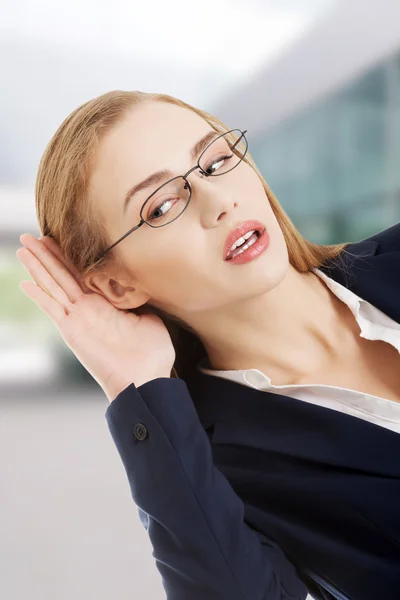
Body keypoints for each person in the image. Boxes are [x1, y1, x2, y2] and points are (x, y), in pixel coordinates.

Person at [16, 90, 400, 600]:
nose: (220, 203)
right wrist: (138, 381)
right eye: (163, 206)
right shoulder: (217, 474)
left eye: (216, 160)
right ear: (119, 287)